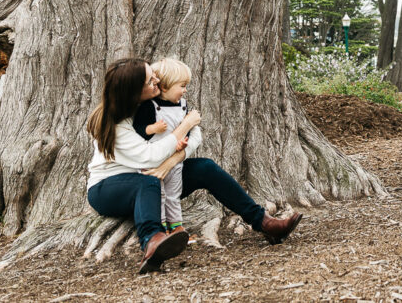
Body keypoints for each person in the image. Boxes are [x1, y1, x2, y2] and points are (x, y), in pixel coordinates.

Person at [86, 58, 303, 273]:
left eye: (154, 75)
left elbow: (196, 135)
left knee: (205, 168)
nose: (157, 80)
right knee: (147, 182)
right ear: (134, 90)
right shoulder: (116, 123)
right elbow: (151, 157)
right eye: (150, 80)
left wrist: (174, 159)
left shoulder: (156, 103)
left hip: (156, 178)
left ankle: (264, 223)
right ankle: (153, 242)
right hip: (109, 189)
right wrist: (185, 125)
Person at [133, 58, 199, 239]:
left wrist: (183, 143)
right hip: (153, 161)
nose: (185, 90)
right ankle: (161, 227)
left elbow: (187, 130)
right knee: (158, 195)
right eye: (182, 86)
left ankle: (176, 225)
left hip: (174, 160)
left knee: (173, 194)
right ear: (164, 86)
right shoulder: (149, 106)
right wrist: (152, 129)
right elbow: (139, 130)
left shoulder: (183, 105)